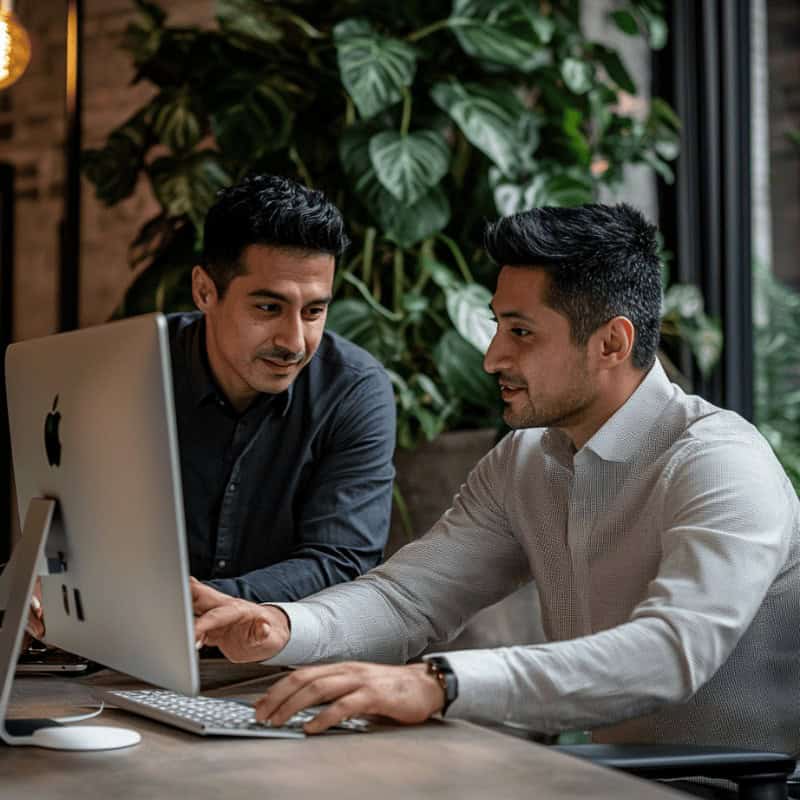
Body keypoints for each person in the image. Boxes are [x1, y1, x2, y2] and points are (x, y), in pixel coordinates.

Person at [192, 204, 800, 759]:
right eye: (498, 327)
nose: (492, 357)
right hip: (611, 780)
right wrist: (281, 624)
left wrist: (441, 684)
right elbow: (407, 599)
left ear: (612, 342)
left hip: (732, 786)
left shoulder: (720, 463)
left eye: (521, 332)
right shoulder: (526, 461)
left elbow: (672, 653)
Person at [25, 174, 396, 640]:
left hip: (272, 663)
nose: (295, 342)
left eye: (314, 311)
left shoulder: (353, 389)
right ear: (204, 291)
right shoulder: (123, 372)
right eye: (268, 308)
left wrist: (196, 607)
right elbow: (69, 537)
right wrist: (46, 580)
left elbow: (341, 560)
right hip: (123, 652)